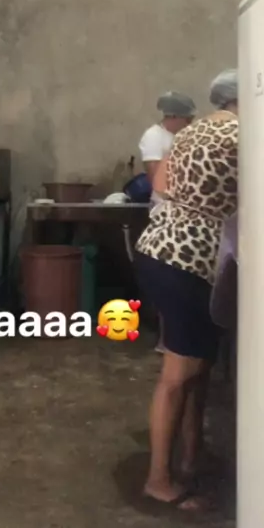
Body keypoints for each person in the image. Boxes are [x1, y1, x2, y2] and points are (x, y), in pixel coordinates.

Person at [133, 69, 238, 512]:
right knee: (180, 373)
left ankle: (191, 459)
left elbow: (160, 185)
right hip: (189, 258)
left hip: (160, 248)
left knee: (197, 364)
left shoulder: (192, 132)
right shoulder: (244, 135)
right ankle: (158, 480)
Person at [138, 91, 196, 352]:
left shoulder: (183, 135)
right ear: (171, 116)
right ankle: (166, 340)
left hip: (186, 210)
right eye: (186, 119)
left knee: (185, 280)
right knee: (169, 277)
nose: (189, 123)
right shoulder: (154, 137)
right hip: (166, 211)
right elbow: (156, 179)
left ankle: (181, 338)